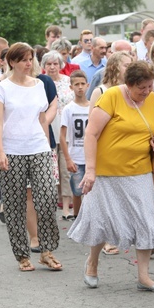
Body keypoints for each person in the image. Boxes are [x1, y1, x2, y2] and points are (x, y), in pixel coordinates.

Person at [67, 61, 154, 292]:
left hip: (139, 170)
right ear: (129, 84)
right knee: (101, 221)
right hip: (106, 172)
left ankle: (143, 277)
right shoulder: (111, 96)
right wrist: (90, 170)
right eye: (142, 88)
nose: (147, 92)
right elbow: (91, 133)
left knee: (146, 221)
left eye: (150, 86)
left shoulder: (151, 99)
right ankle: (92, 263)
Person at [0, 42, 62, 272]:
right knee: (14, 204)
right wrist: (0, 151)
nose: (28, 63)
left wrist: (46, 144)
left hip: (39, 147)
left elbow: (42, 117)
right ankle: (22, 255)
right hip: (12, 150)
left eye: (30, 59)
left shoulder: (40, 85)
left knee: (48, 197)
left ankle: (47, 251)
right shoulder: (1, 88)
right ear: (12, 62)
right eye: (23, 59)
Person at [42, 50, 74, 220]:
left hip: (67, 129)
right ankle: (50, 206)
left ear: (61, 65)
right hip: (48, 130)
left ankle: (67, 207)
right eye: (49, 64)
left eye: (55, 63)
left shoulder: (69, 82)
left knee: (66, 169)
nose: (52, 67)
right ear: (44, 66)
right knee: (51, 170)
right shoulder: (39, 82)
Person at [60, 70, 90, 220]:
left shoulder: (93, 107)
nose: (80, 87)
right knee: (77, 191)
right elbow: (63, 136)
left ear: (88, 85)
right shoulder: (68, 109)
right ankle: (77, 218)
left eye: (82, 84)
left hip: (91, 157)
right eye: (76, 84)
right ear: (71, 87)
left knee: (92, 191)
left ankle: (91, 218)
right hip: (76, 157)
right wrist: (68, 159)